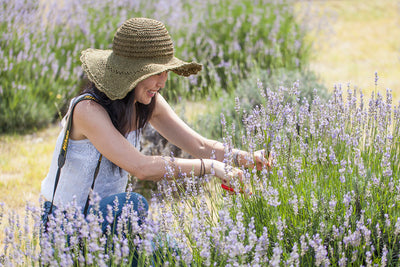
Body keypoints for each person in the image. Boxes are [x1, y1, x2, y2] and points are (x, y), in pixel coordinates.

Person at [40, 17, 271, 260]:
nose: (163, 82)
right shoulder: (88, 110)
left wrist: (244, 158)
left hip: (112, 218)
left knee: (175, 255)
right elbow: (142, 168)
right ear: (133, 73)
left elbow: (200, 145)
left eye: (166, 71)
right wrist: (211, 167)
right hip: (65, 227)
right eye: (156, 72)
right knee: (134, 205)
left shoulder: (145, 102)